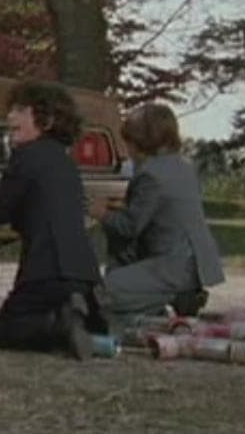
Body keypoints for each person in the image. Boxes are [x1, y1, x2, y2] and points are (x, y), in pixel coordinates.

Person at [0, 80, 104, 360]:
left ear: (46, 121)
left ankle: (57, 326)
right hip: (84, 272)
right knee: (67, 313)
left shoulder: (25, 157)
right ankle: (80, 316)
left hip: (45, 271)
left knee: (2, 329)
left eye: (20, 110)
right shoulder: (66, 163)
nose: (10, 116)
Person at [89, 102, 225, 331]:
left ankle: (166, 301)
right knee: (121, 288)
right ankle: (158, 313)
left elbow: (130, 227)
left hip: (172, 266)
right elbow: (161, 210)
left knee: (101, 292)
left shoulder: (150, 174)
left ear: (140, 141)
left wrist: (100, 212)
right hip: (195, 264)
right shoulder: (183, 167)